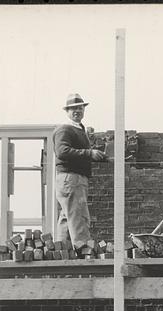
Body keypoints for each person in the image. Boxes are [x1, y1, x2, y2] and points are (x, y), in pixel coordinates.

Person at [52, 93, 108, 252]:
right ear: (67, 111)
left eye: (80, 108)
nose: (77, 111)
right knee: (77, 214)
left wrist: (99, 157)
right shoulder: (65, 129)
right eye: (73, 109)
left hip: (73, 177)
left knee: (67, 216)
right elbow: (62, 152)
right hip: (71, 178)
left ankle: (60, 250)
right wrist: (89, 153)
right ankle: (84, 249)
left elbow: (76, 153)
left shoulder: (78, 130)